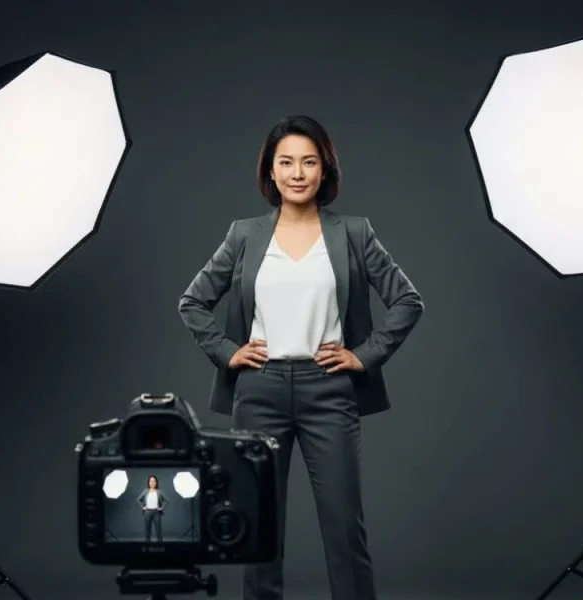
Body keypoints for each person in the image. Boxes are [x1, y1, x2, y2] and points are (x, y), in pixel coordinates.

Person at [178, 115, 424, 600]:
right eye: (285, 162)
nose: (297, 172)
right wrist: (229, 353)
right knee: (258, 529)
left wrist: (365, 354)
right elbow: (192, 301)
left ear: (324, 169)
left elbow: (408, 301)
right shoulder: (244, 234)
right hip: (259, 391)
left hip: (329, 391)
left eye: (308, 162)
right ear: (270, 172)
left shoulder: (354, 233)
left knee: (343, 529)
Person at [137, 475, 168, 543]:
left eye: (154, 481)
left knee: (158, 531)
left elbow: (166, 500)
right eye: (151, 481)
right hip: (147, 512)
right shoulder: (145, 491)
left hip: (156, 513)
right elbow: (138, 499)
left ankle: (160, 546)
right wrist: (143, 507)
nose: (152, 482)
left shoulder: (159, 491)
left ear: (156, 482)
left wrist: (161, 508)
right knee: (147, 532)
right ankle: (147, 547)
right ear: (148, 482)